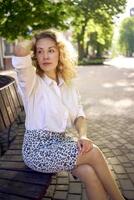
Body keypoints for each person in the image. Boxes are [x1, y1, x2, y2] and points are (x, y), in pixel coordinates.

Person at [12, 29, 126, 200]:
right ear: (35, 55)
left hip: (60, 143)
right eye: (40, 51)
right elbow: (20, 50)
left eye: (51, 50)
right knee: (93, 152)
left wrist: (83, 136)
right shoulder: (30, 82)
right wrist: (36, 40)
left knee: (89, 172)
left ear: (60, 53)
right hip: (37, 150)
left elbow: (79, 115)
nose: (45, 56)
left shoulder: (67, 84)